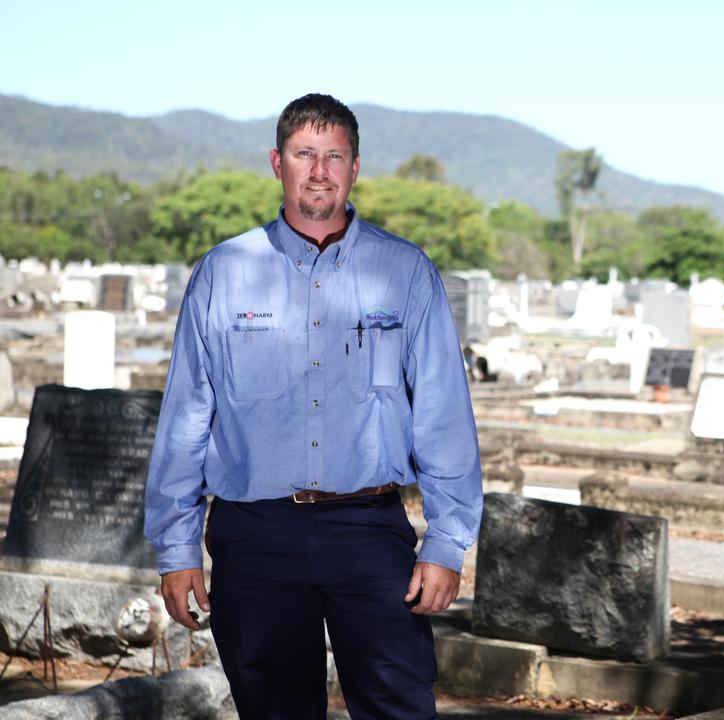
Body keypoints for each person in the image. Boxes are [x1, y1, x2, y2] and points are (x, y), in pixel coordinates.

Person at [144, 93, 482, 720]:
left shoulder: (406, 272)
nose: (320, 170)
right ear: (279, 163)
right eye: (305, 154)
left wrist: (446, 542)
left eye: (334, 156)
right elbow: (187, 418)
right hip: (255, 536)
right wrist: (177, 547)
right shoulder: (223, 273)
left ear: (355, 168)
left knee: (399, 706)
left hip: (369, 528)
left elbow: (442, 414)